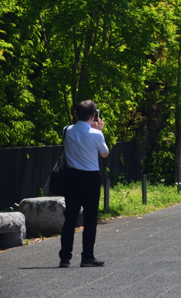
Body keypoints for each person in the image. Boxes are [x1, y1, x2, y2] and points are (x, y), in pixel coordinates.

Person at [59, 100, 109, 268]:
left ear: (76, 114)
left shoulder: (66, 130)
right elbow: (104, 154)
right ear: (94, 116)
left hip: (72, 178)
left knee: (70, 219)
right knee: (90, 219)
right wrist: (99, 132)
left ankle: (65, 257)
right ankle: (87, 256)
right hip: (90, 178)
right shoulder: (96, 134)